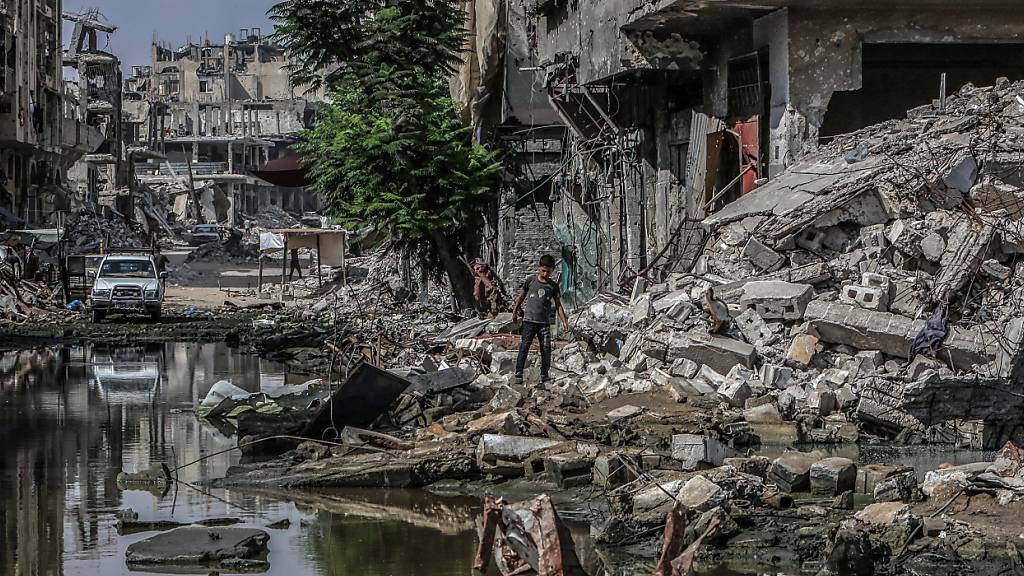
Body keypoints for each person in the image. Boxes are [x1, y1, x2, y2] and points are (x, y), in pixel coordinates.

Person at [511, 254, 570, 384]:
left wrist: (564, 321)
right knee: (524, 346)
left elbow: (558, 305)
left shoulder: (553, 286)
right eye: (543, 270)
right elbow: (521, 297)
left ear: (553, 270)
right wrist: (514, 312)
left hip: (544, 323)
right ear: (539, 268)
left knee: (546, 348)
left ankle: (544, 374)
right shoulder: (530, 280)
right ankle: (519, 373)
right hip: (529, 321)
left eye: (548, 272)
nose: (545, 274)